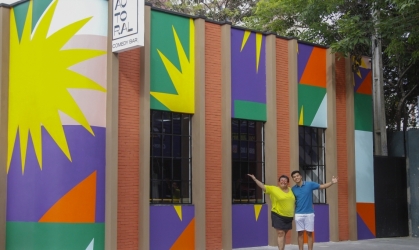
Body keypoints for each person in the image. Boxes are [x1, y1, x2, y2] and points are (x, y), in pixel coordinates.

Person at [290, 170, 338, 250]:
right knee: (300, 234)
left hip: (309, 213)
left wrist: (332, 182)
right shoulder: (293, 189)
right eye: (294, 177)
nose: (296, 178)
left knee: (309, 234)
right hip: (298, 214)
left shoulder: (310, 184)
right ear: (293, 179)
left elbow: (322, 186)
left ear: (301, 176)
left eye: (297, 176)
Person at [248, 174, 295, 250]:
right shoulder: (273, 189)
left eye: (285, 180)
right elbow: (263, 186)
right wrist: (255, 179)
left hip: (289, 216)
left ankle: (282, 248)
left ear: (288, 182)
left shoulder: (291, 190)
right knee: (280, 233)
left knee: (284, 234)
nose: (283, 182)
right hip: (277, 214)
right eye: (281, 180)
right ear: (279, 182)